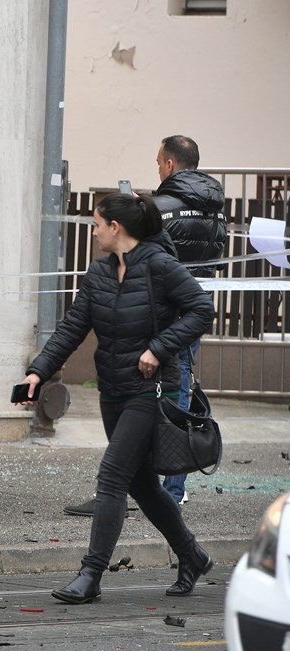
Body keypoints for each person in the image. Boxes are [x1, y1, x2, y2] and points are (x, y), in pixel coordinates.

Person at [18, 193, 215, 603]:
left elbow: (201, 308)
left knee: (111, 476)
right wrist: (39, 370)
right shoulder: (100, 273)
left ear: (115, 228)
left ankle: (90, 576)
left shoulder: (160, 266)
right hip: (114, 391)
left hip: (152, 389)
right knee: (141, 484)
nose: (93, 231)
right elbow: (73, 328)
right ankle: (191, 554)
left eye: (96, 224)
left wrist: (158, 348)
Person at [154, 135, 227, 505]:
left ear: (169, 164)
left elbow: (150, 258)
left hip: (162, 313)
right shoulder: (217, 208)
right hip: (195, 312)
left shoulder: (159, 207)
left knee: (161, 396)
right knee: (178, 389)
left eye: (158, 162)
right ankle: (167, 487)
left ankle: (168, 490)